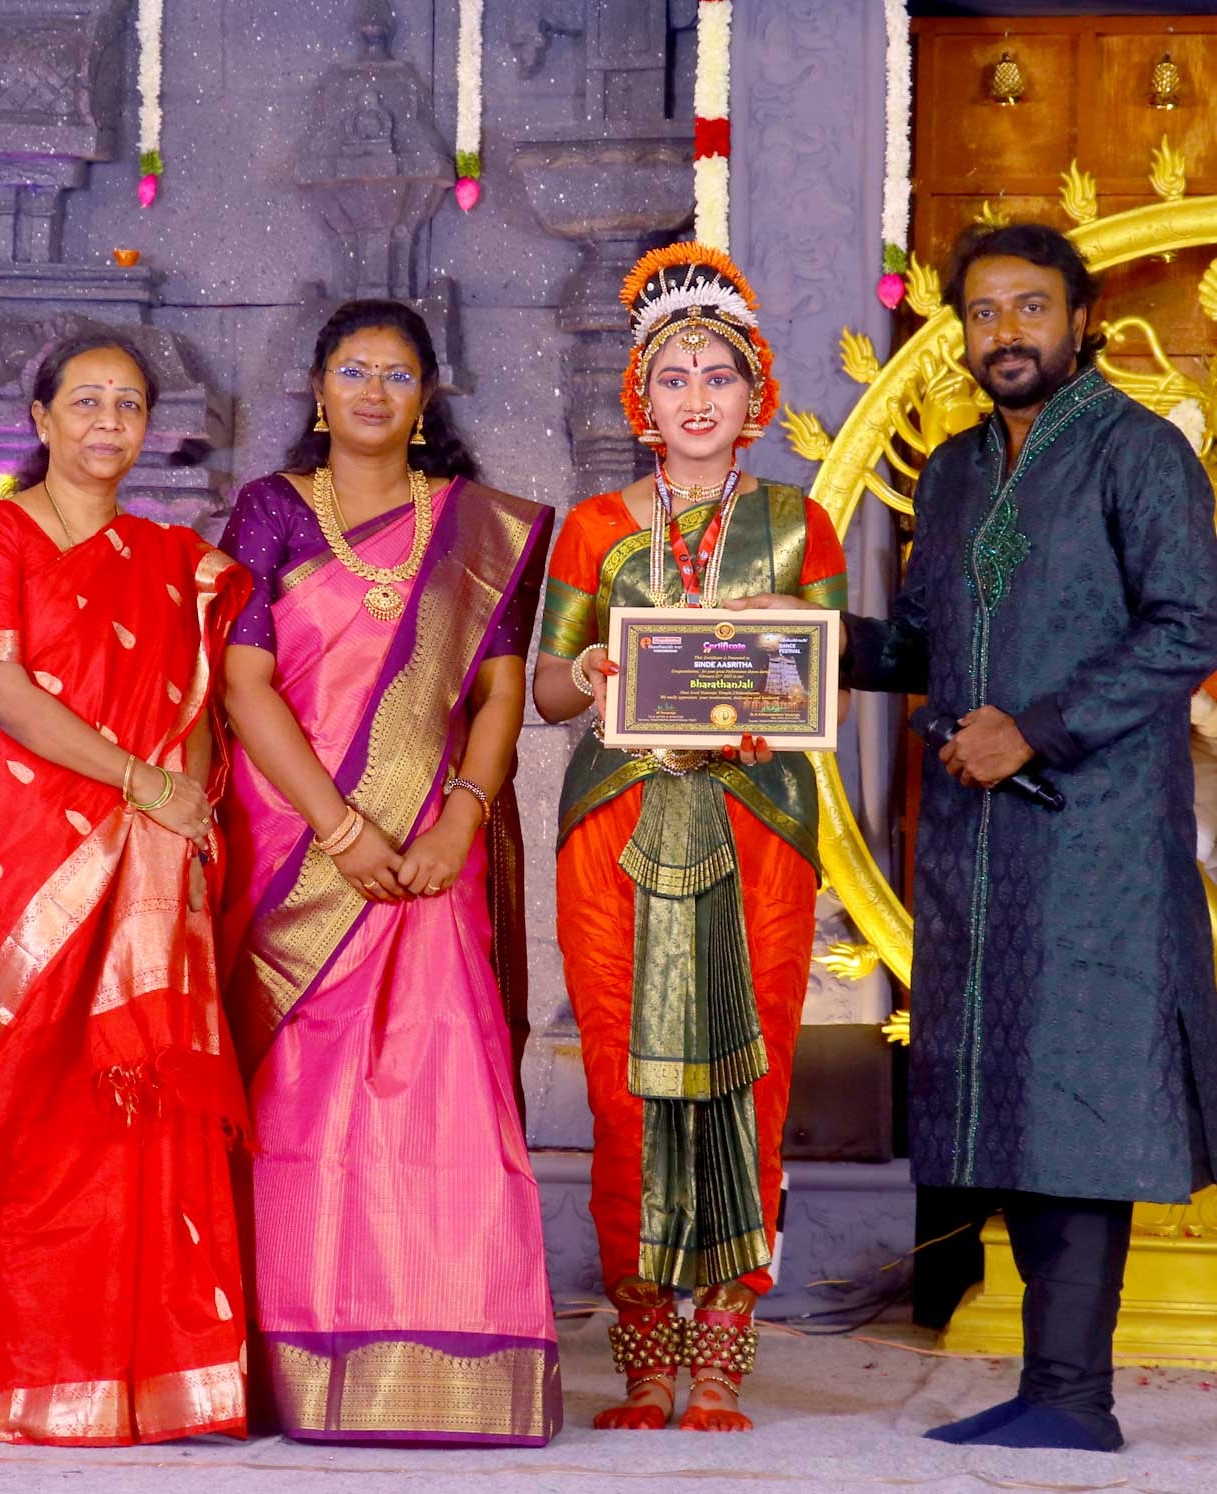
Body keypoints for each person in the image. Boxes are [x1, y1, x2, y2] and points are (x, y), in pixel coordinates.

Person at [842, 223, 1217, 1451]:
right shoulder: (954, 471)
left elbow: (1187, 627)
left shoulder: (1140, 452)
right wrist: (802, 644)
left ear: (1080, 318)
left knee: (1081, 1093)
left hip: (1095, 839)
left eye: (1030, 307)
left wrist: (1036, 730)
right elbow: (924, 646)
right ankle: (1050, 1384)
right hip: (978, 847)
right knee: (1004, 1089)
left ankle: (1073, 1398)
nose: (1006, 331)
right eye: (984, 311)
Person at [218, 299, 561, 1446]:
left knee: (442, 1086)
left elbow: (499, 692)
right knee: (300, 1102)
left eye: (398, 374)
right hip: (297, 850)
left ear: (427, 401)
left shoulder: (475, 527)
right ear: (319, 392)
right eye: (354, 371)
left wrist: (462, 816)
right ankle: (295, 1355)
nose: (374, 391)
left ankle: (451, 1357)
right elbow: (243, 682)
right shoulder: (271, 510)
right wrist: (339, 830)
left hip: (428, 852)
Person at [533, 243, 848, 1433]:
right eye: (674, 378)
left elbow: (822, 686)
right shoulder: (594, 527)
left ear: (754, 392)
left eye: (718, 375)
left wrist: (782, 634)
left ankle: (721, 1344)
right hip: (619, 817)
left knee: (748, 1078)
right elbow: (549, 689)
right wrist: (595, 672)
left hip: (758, 816)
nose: (697, 398)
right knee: (625, 1083)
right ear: (643, 399)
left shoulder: (798, 526)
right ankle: (644, 1347)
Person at [0, 332, 252, 1444]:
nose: (108, 421)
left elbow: (201, 706)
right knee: (8, 1097)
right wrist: (139, 782)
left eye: (128, 404)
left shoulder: (172, 559)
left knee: (123, 1109)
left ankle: (125, 1373)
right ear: (41, 420)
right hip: (18, 845)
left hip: (146, 857)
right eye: (86, 401)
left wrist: (182, 808)